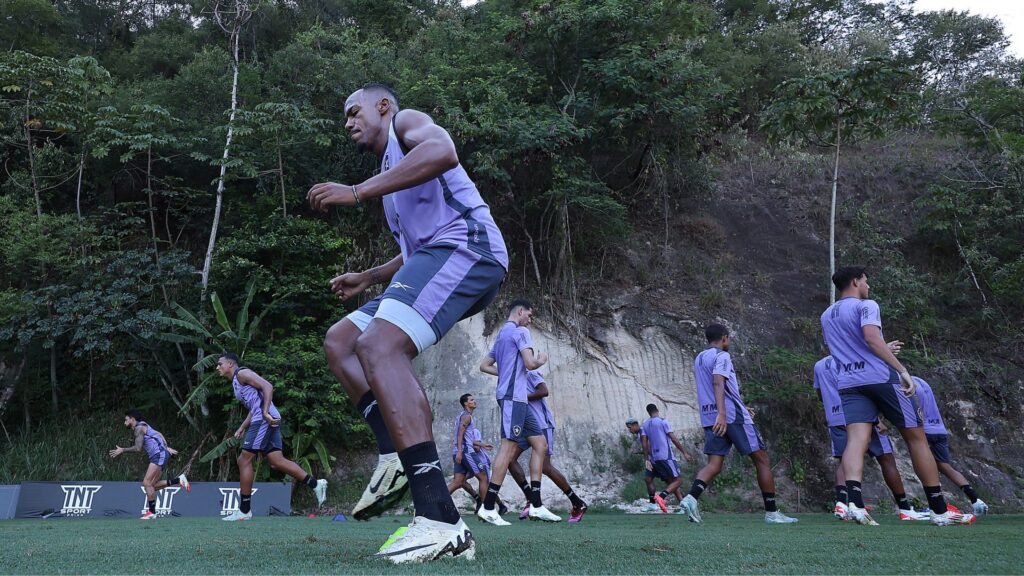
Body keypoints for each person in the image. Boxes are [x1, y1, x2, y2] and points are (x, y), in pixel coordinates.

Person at [312, 83, 507, 562]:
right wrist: (370, 276)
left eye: (354, 112)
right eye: (344, 118)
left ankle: (440, 520)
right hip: (441, 255)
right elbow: (415, 256)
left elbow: (444, 150)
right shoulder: (390, 179)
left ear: (383, 107)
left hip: (470, 248)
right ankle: (394, 456)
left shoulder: (407, 124)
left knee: (379, 346)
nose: (348, 122)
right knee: (342, 341)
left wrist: (356, 192)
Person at [820, 266, 974, 526]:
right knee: (916, 437)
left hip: (847, 382)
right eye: (866, 281)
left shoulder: (826, 315)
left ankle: (855, 504)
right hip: (880, 378)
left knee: (856, 440)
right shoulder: (867, 305)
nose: (868, 286)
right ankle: (938, 509)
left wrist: (880, 350)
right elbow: (870, 338)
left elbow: (850, 347)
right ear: (856, 281)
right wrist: (902, 370)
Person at [680, 324, 798, 524]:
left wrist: (733, 408)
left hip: (710, 416)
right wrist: (724, 413)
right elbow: (718, 382)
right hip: (729, 416)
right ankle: (771, 513)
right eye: (729, 339)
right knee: (761, 458)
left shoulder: (699, 357)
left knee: (714, 464)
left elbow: (715, 388)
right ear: (724, 338)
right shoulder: (722, 356)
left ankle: (691, 498)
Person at [813, 355, 929, 521]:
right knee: (886, 458)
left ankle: (842, 504)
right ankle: (904, 508)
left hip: (835, 416)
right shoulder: (852, 358)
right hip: (860, 414)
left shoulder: (819, 365)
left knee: (845, 457)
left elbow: (819, 392)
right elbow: (867, 386)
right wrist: (877, 417)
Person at [476, 300, 560, 525]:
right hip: (513, 397)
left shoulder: (502, 334)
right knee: (509, 447)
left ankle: (536, 505)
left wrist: (507, 372)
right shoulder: (520, 331)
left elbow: (484, 365)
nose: (530, 321)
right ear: (520, 312)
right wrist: (541, 359)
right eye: (530, 316)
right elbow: (531, 364)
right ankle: (488, 507)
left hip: (517, 398)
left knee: (540, 444)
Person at [216, 353, 327, 521]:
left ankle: (244, 511)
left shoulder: (241, 374)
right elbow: (254, 406)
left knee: (243, 460)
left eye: (220, 364)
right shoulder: (236, 383)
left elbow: (267, 386)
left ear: (230, 364)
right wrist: (242, 427)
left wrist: (266, 412)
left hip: (264, 419)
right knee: (276, 461)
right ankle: (316, 484)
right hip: (266, 418)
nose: (217, 367)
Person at [505, 370, 589, 522]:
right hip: (525, 426)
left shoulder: (530, 373)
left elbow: (544, 391)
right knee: (509, 459)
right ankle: (532, 499)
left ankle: (577, 503)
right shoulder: (514, 378)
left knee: (545, 467)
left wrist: (520, 398)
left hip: (541, 424)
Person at [914, 376, 989, 515]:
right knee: (945, 467)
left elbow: (915, 407)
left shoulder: (905, 382)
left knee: (925, 469)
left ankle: (935, 506)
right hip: (940, 429)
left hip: (924, 430)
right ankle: (975, 500)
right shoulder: (921, 381)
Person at [109, 410, 189, 520]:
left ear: (132, 419)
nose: (124, 422)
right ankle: (179, 481)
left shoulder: (139, 428)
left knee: (146, 483)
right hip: (160, 454)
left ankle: (152, 513)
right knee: (152, 486)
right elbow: (159, 434)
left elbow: (138, 448)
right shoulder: (143, 425)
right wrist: (166, 447)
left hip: (158, 455)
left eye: (126, 419)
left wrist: (122, 450)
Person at [446, 393, 505, 513]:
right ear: (466, 403)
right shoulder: (467, 416)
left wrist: (482, 444)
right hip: (466, 451)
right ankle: (487, 511)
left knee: (457, 482)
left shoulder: (463, 416)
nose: (474, 401)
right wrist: (461, 452)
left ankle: (437, 505)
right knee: (483, 477)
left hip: (460, 450)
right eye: (472, 400)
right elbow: (460, 435)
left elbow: (466, 437)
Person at [640, 404, 694, 514]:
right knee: (678, 480)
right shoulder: (663, 421)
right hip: (666, 456)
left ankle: (683, 507)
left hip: (654, 458)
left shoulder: (645, 425)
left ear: (648, 412)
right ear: (657, 410)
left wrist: (646, 459)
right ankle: (661, 496)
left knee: (671, 481)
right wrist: (685, 453)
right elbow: (673, 438)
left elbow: (645, 444)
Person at [625, 418, 661, 512]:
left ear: (635, 425)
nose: (629, 430)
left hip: (656, 459)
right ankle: (652, 504)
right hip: (653, 459)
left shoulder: (642, 433)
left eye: (630, 427)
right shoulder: (639, 434)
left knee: (671, 480)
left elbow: (649, 448)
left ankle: (682, 502)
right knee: (648, 479)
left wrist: (643, 456)